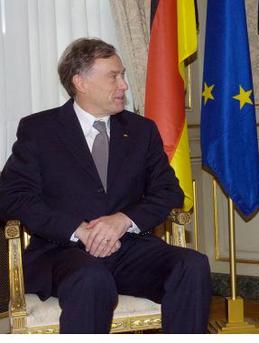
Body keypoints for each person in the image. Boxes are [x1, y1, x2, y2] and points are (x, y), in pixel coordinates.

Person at [0, 38, 211, 334]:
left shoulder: (141, 130)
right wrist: (80, 230)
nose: (124, 85)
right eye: (114, 76)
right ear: (80, 82)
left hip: (130, 250)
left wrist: (124, 221)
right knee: (90, 278)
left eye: (123, 74)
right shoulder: (40, 130)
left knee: (192, 265)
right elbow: (13, 196)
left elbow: (169, 192)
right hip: (62, 253)